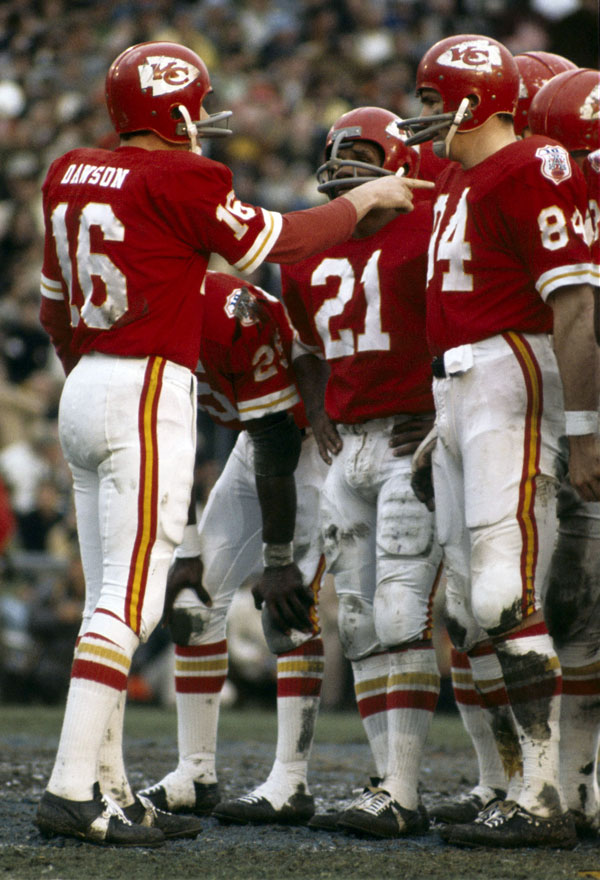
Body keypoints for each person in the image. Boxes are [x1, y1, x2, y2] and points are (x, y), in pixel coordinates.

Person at [35, 39, 430, 847]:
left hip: (86, 384)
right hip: (144, 385)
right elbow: (275, 241)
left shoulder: (68, 170)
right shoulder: (187, 179)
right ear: (176, 109)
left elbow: (51, 307)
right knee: (132, 603)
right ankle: (76, 786)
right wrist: (361, 201)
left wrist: (92, 376)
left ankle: (111, 782)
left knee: (113, 596)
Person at [398, 34, 599, 848]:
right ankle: (516, 783)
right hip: (460, 385)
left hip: (507, 375)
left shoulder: (530, 165)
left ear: (476, 100)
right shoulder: (463, 176)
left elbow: (575, 306)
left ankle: (545, 794)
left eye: (433, 98)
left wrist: (582, 430)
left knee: (502, 595)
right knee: (466, 606)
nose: (423, 115)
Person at [276, 107, 443, 839]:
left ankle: (406, 790)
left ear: (400, 163)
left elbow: (475, 321)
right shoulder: (308, 246)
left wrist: (442, 402)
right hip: (350, 448)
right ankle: (387, 784)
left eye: (362, 155)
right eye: (337, 153)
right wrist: (317, 408)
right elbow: (304, 346)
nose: (344, 167)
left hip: (414, 440)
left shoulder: (433, 226)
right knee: (358, 619)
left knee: (404, 612)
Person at [138, 269, 328, 826]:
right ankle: (195, 772)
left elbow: (276, 435)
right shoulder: (144, 312)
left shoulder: (234, 311)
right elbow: (168, 437)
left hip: (310, 444)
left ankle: (291, 779)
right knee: (194, 604)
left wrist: (276, 561)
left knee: (290, 613)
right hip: (255, 443)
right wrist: (187, 544)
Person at [527, 66, 600, 840]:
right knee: (572, 610)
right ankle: (572, 788)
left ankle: (565, 786)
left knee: (574, 608)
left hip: (573, 415)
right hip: (563, 410)